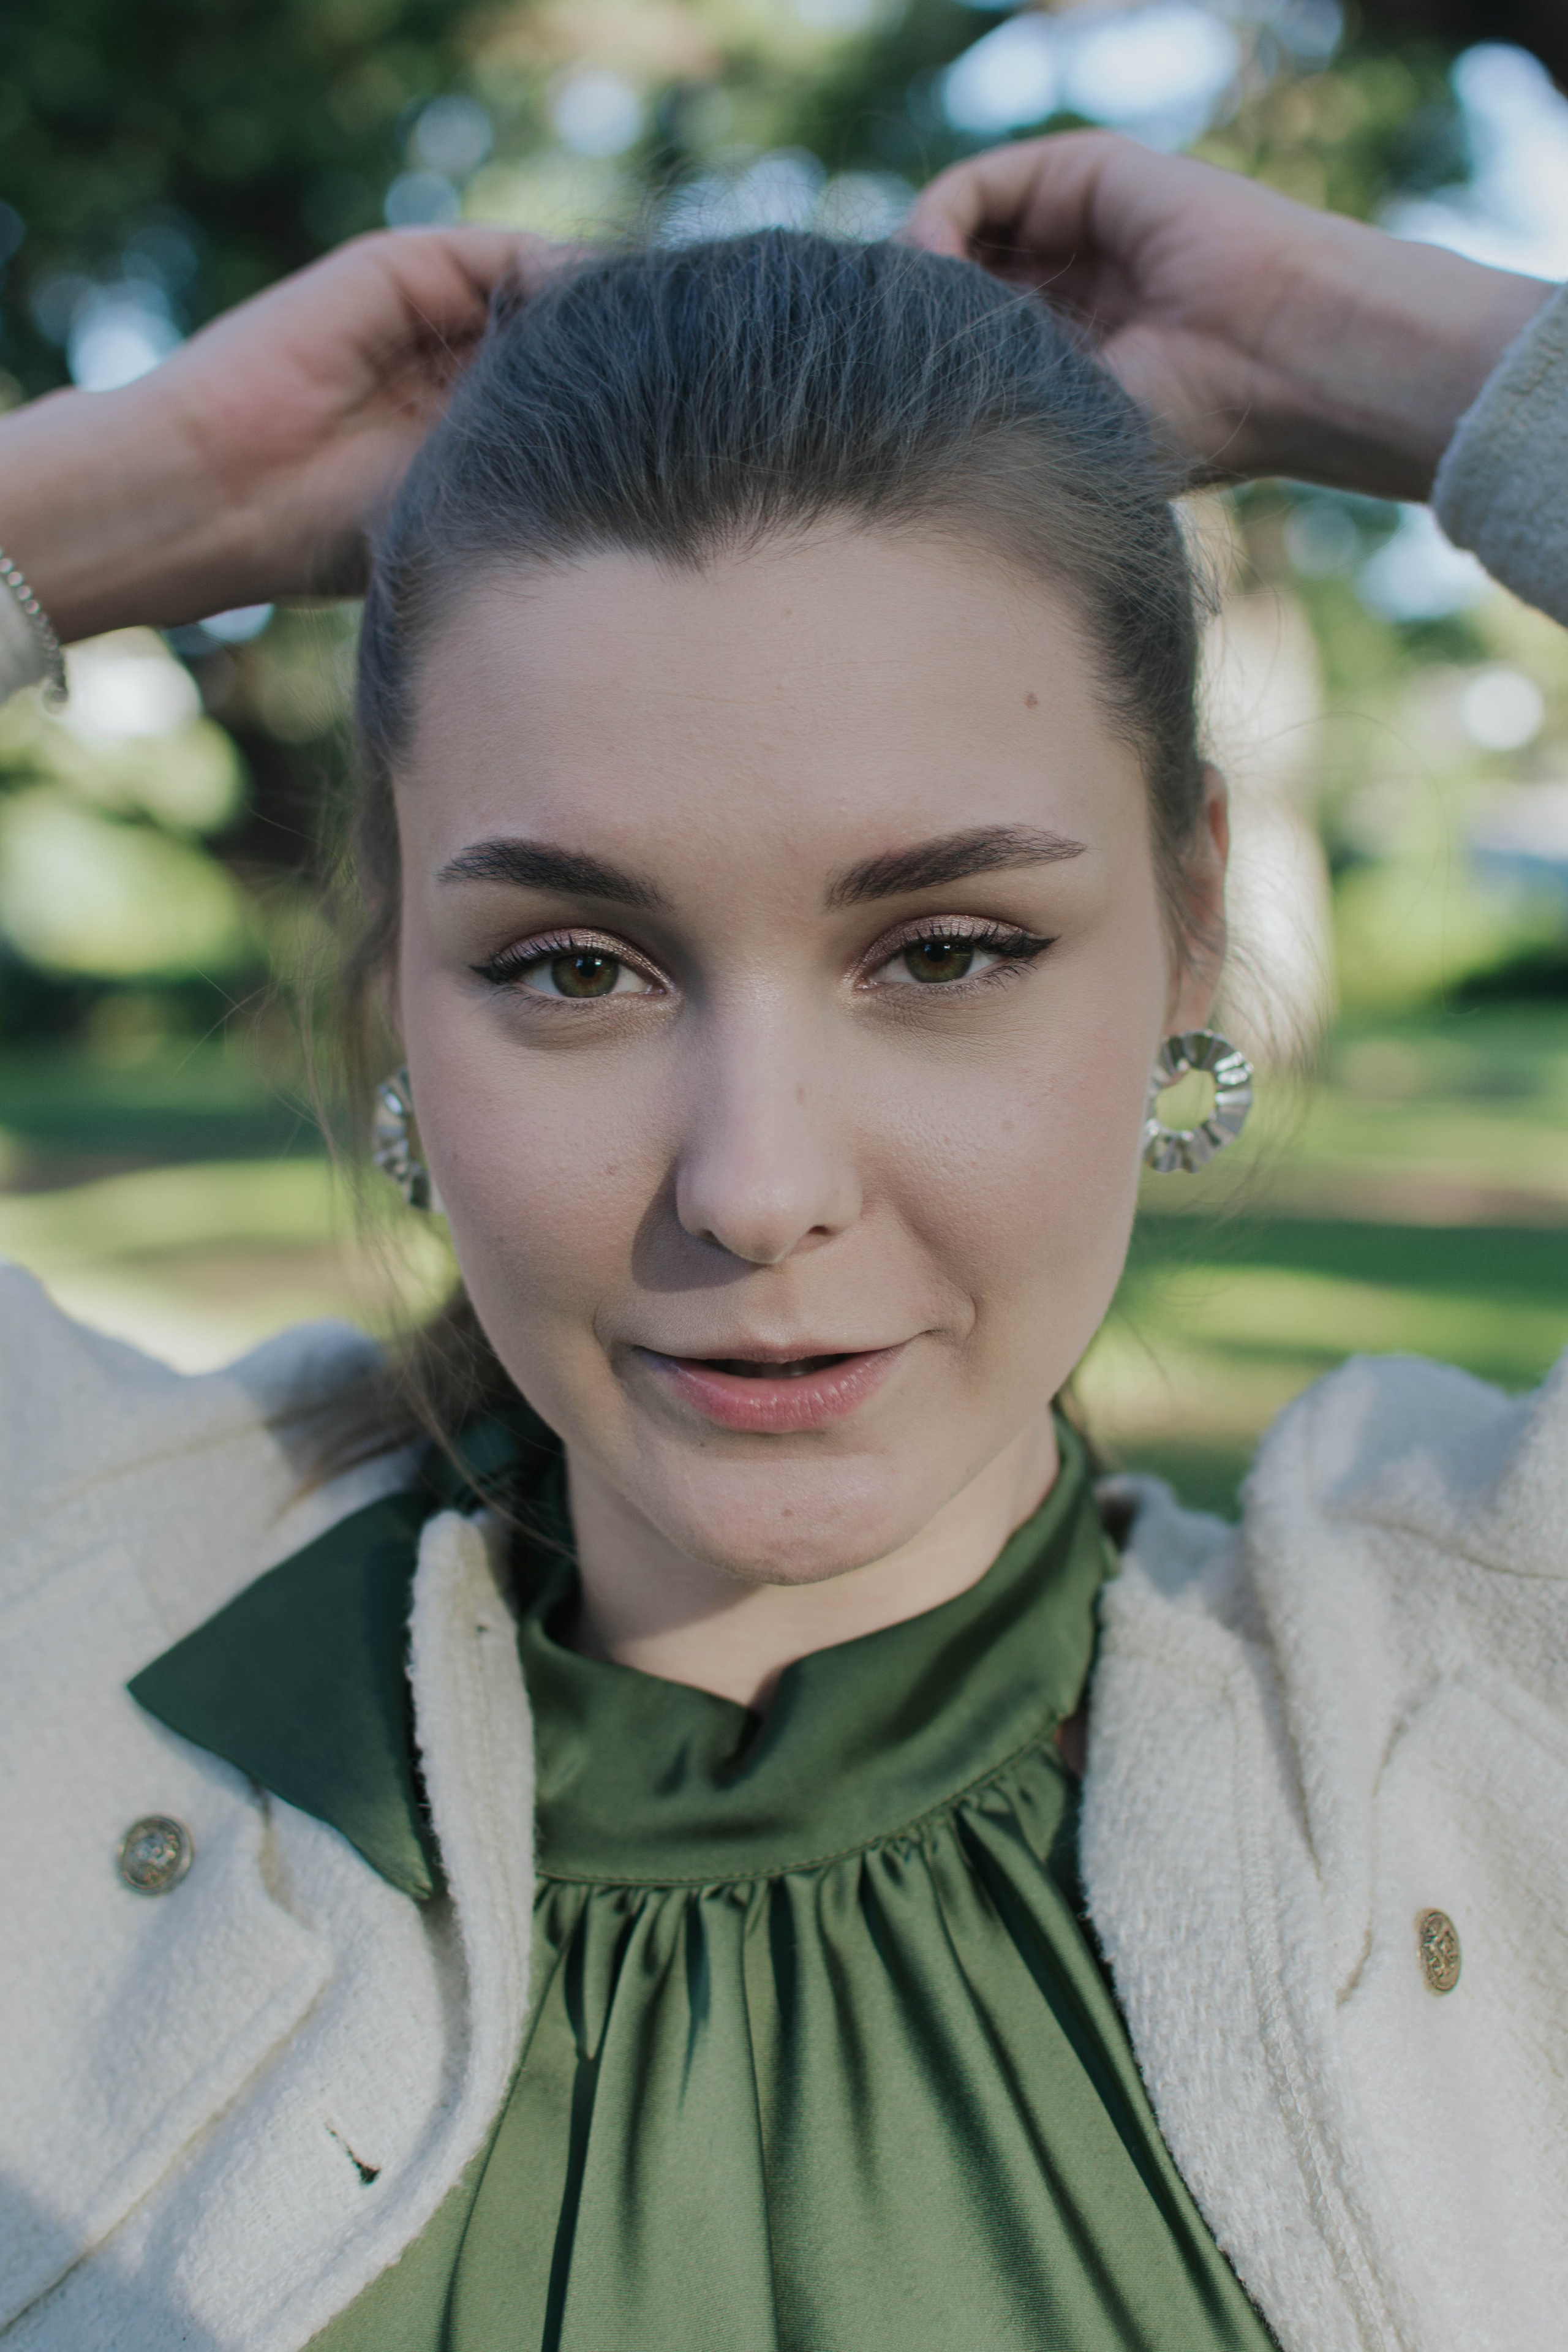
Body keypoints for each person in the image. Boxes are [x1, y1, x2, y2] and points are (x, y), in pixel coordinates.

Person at [0, 133, 1564, 2352]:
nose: (754, 1185)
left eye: (943, 949)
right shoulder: (47, 1632)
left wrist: (1391, 363)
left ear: (1190, 929)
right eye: (573, 966)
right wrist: (119, 501)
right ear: (394, 996)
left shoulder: (1508, 1705)